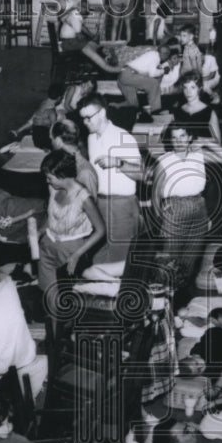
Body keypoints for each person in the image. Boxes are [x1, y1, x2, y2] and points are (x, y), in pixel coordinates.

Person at [151, 123, 222, 290]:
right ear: (170, 141)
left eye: (182, 136)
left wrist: (206, 142)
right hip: (174, 208)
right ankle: (162, 299)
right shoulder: (165, 160)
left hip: (198, 207)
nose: (179, 141)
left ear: (189, 138)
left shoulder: (198, 155)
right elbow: (155, 193)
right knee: (169, 258)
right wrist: (160, 219)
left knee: (191, 257)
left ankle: (179, 296)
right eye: (174, 137)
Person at [79, 94, 142, 265]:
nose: (85, 122)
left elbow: (142, 174)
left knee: (119, 260)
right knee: (100, 257)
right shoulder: (91, 138)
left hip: (121, 206)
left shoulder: (123, 137)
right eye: (82, 118)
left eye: (88, 117)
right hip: (100, 203)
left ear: (102, 113)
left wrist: (118, 162)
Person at [37, 149, 106, 303]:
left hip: (70, 251)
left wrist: (77, 255)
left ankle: (64, 327)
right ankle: (53, 326)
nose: (47, 181)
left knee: (67, 298)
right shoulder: (53, 188)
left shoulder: (83, 197)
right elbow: (53, 216)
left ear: (61, 175)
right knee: (49, 295)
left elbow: (101, 230)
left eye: (49, 178)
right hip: (48, 246)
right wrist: (41, 230)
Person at [57, 0, 118, 73]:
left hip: (70, 38)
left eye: (87, 7)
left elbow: (82, 28)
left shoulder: (75, 10)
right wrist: (90, 38)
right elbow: (79, 34)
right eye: (84, 7)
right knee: (88, 46)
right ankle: (107, 67)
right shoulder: (74, 14)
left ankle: (103, 60)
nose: (86, 10)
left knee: (92, 43)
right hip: (68, 41)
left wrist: (92, 36)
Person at [50, 119, 99, 198]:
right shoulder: (62, 163)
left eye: (51, 139)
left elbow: (90, 208)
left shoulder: (85, 173)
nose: (51, 143)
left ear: (58, 141)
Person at [117, 43, 169, 114]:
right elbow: (152, 74)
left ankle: (114, 106)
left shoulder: (152, 55)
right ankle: (155, 111)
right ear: (158, 51)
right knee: (154, 83)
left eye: (166, 53)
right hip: (129, 74)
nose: (164, 55)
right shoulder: (155, 56)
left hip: (123, 76)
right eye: (163, 52)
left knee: (133, 104)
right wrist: (163, 71)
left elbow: (147, 74)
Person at [173, 72, 222, 142]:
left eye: (192, 87)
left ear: (199, 88)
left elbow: (218, 141)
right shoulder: (179, 110)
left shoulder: (209, 112)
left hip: (204, 151)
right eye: (185, 88)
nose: (188, 92)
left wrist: (201, 141)